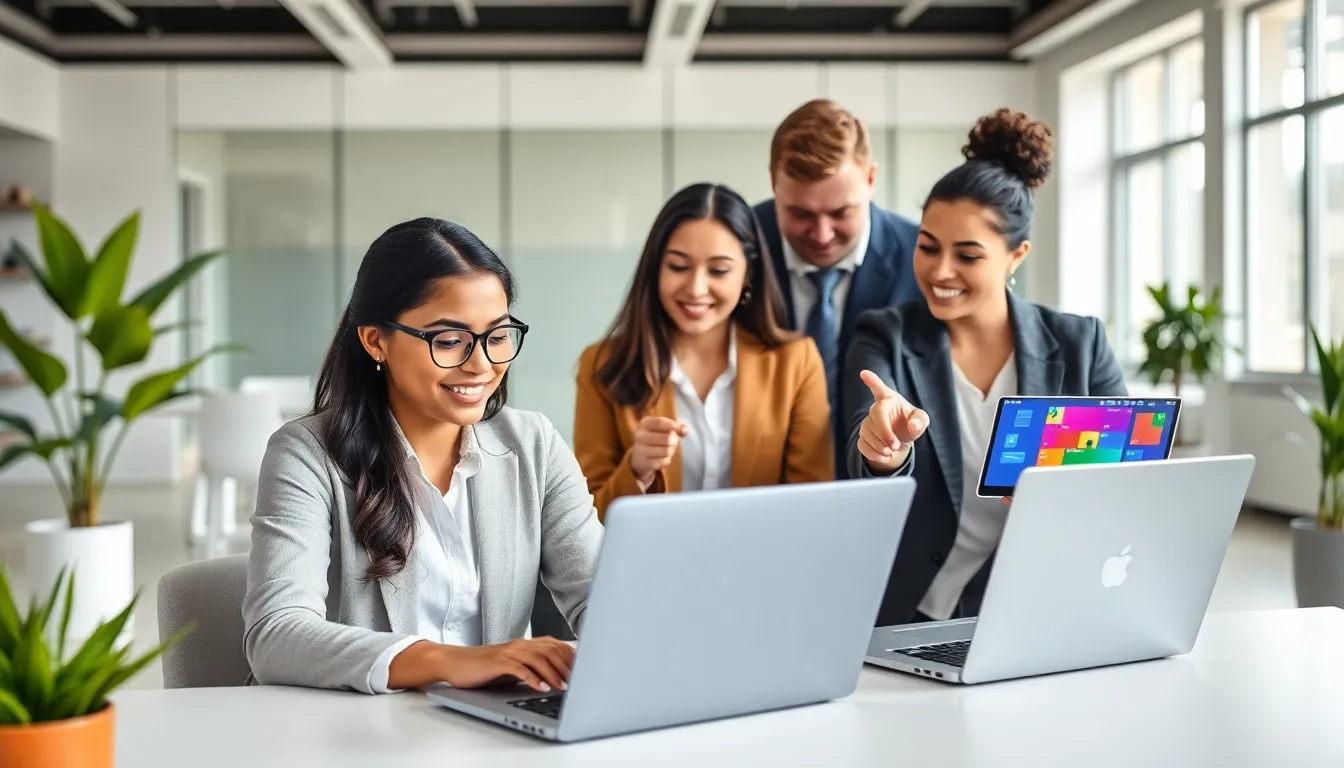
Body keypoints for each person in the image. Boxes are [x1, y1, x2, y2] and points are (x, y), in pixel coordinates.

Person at [243, 218, 603, 695]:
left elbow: (606, 599)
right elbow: (275, 636)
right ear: (375, 340)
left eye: (496, 336)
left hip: (497, 733)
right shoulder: (306, 455)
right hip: (356, 736)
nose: (481, 364)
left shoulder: (533, 445)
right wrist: (454, 663)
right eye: (449, 340)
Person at [842, 108, 1127, 627]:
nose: (939, 271)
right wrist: (884, 447)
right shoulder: (886, 334)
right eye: (927, 247)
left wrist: (1072, 498)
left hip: (1049, 604)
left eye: (967, 255)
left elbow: (1127, 483)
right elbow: (862, 450)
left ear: (1015, 255)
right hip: (918, 614)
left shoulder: (1079, 345)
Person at [573, 182, 833, 520]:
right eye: (679, 267)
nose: (696, 289)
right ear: (656, 270)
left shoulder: (796, 362)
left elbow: (813, 505)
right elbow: (583, 523)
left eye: (719, 271)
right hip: (652, 568)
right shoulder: (603, 365)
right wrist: (636, 471)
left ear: (747, 274)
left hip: (762, 566)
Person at [753, 98, 923, 471]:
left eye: (840, 212)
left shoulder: (922, 257)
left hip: (887, 483)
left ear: (871, 179)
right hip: (762, 485)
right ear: (773, 184)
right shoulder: (738, 247)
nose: (822, 234)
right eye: (800, 213)